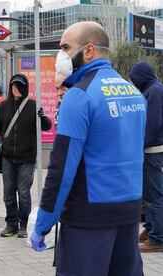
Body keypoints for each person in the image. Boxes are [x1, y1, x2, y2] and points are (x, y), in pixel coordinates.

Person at [31, 21, 146, 276]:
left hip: (88, 218)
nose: (61, 55)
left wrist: (43, 223)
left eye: (65, 47)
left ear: (89, 50)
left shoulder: (79, 96)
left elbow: (61, 169)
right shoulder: (134, 93)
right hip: (128, 214)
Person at [0, 74, 52, 238]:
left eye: (19, 86)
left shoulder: (33, 106)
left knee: (24, 192)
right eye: (13, 86)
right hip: (7, 157)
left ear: (25, 88)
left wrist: (42, 117)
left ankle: (24, 224)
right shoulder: (3, 106)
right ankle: (11, 223)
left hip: (26, 158)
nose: (16, 89)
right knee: (8, 193)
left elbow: (47, 126)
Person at [129, 61, 163, 252]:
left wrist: (139, 145)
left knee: (155, 196)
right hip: (152, 150)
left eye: (134, 78)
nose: (133, 82)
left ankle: (157, 239)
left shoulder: (154, 91)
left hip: (153, 151)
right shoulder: (152, 88)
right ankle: (150, 229)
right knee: (150, 194)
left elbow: (153, 123)